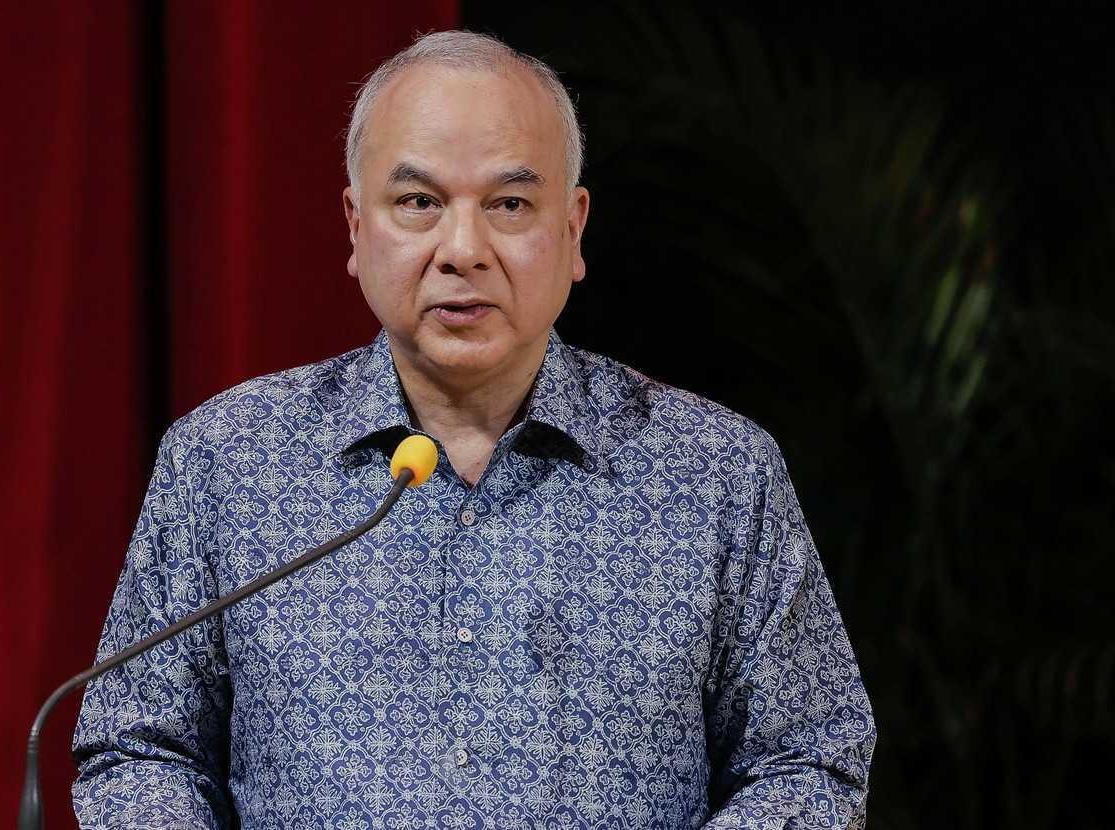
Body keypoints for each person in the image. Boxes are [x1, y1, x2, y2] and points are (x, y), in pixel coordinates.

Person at [73, 30, 875, 829]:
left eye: (510, 205)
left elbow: (810, 757)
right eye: (419, 203)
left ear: (573, 229)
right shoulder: (227, 463)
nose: (463, 250)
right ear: (357, 228)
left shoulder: (717, 475)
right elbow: (138, 751)